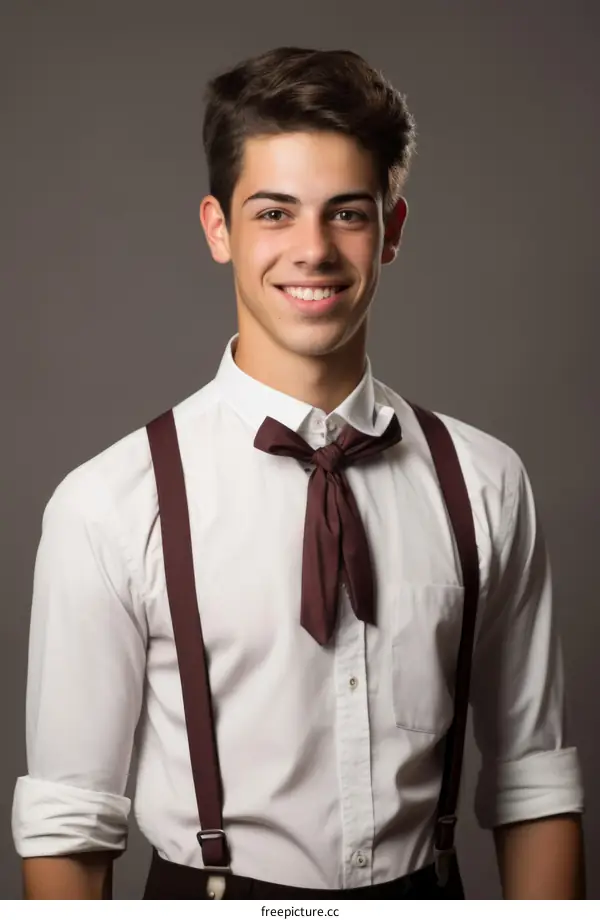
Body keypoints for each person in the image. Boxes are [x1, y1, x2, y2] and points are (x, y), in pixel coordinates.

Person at [12, 46, 585, 900]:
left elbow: (534, 784)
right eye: (274, 213)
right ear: (219, 229)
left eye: (346, 214)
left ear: (391, 230)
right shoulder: (108, 504)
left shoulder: (486, 483)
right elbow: (69, 820)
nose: (311, 250)